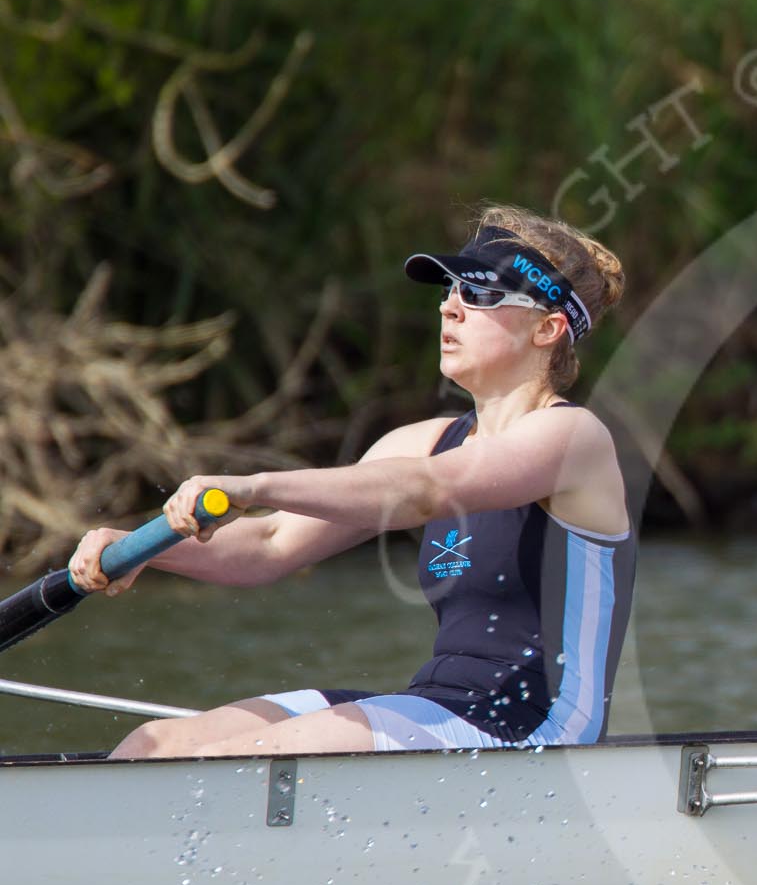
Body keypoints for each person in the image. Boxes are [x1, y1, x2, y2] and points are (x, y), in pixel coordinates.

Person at [67, 204, 636, 757]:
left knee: (268, 752)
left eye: (478, 293)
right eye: (448, 292)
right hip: (441, 709)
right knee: (157, 745)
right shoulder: (425, 442)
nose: (449, 309)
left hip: (541, 734)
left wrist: (255, 486)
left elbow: (427, 492)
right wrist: (142, 547)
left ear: (548, 329)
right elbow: (270, 545)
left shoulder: (573, 440)